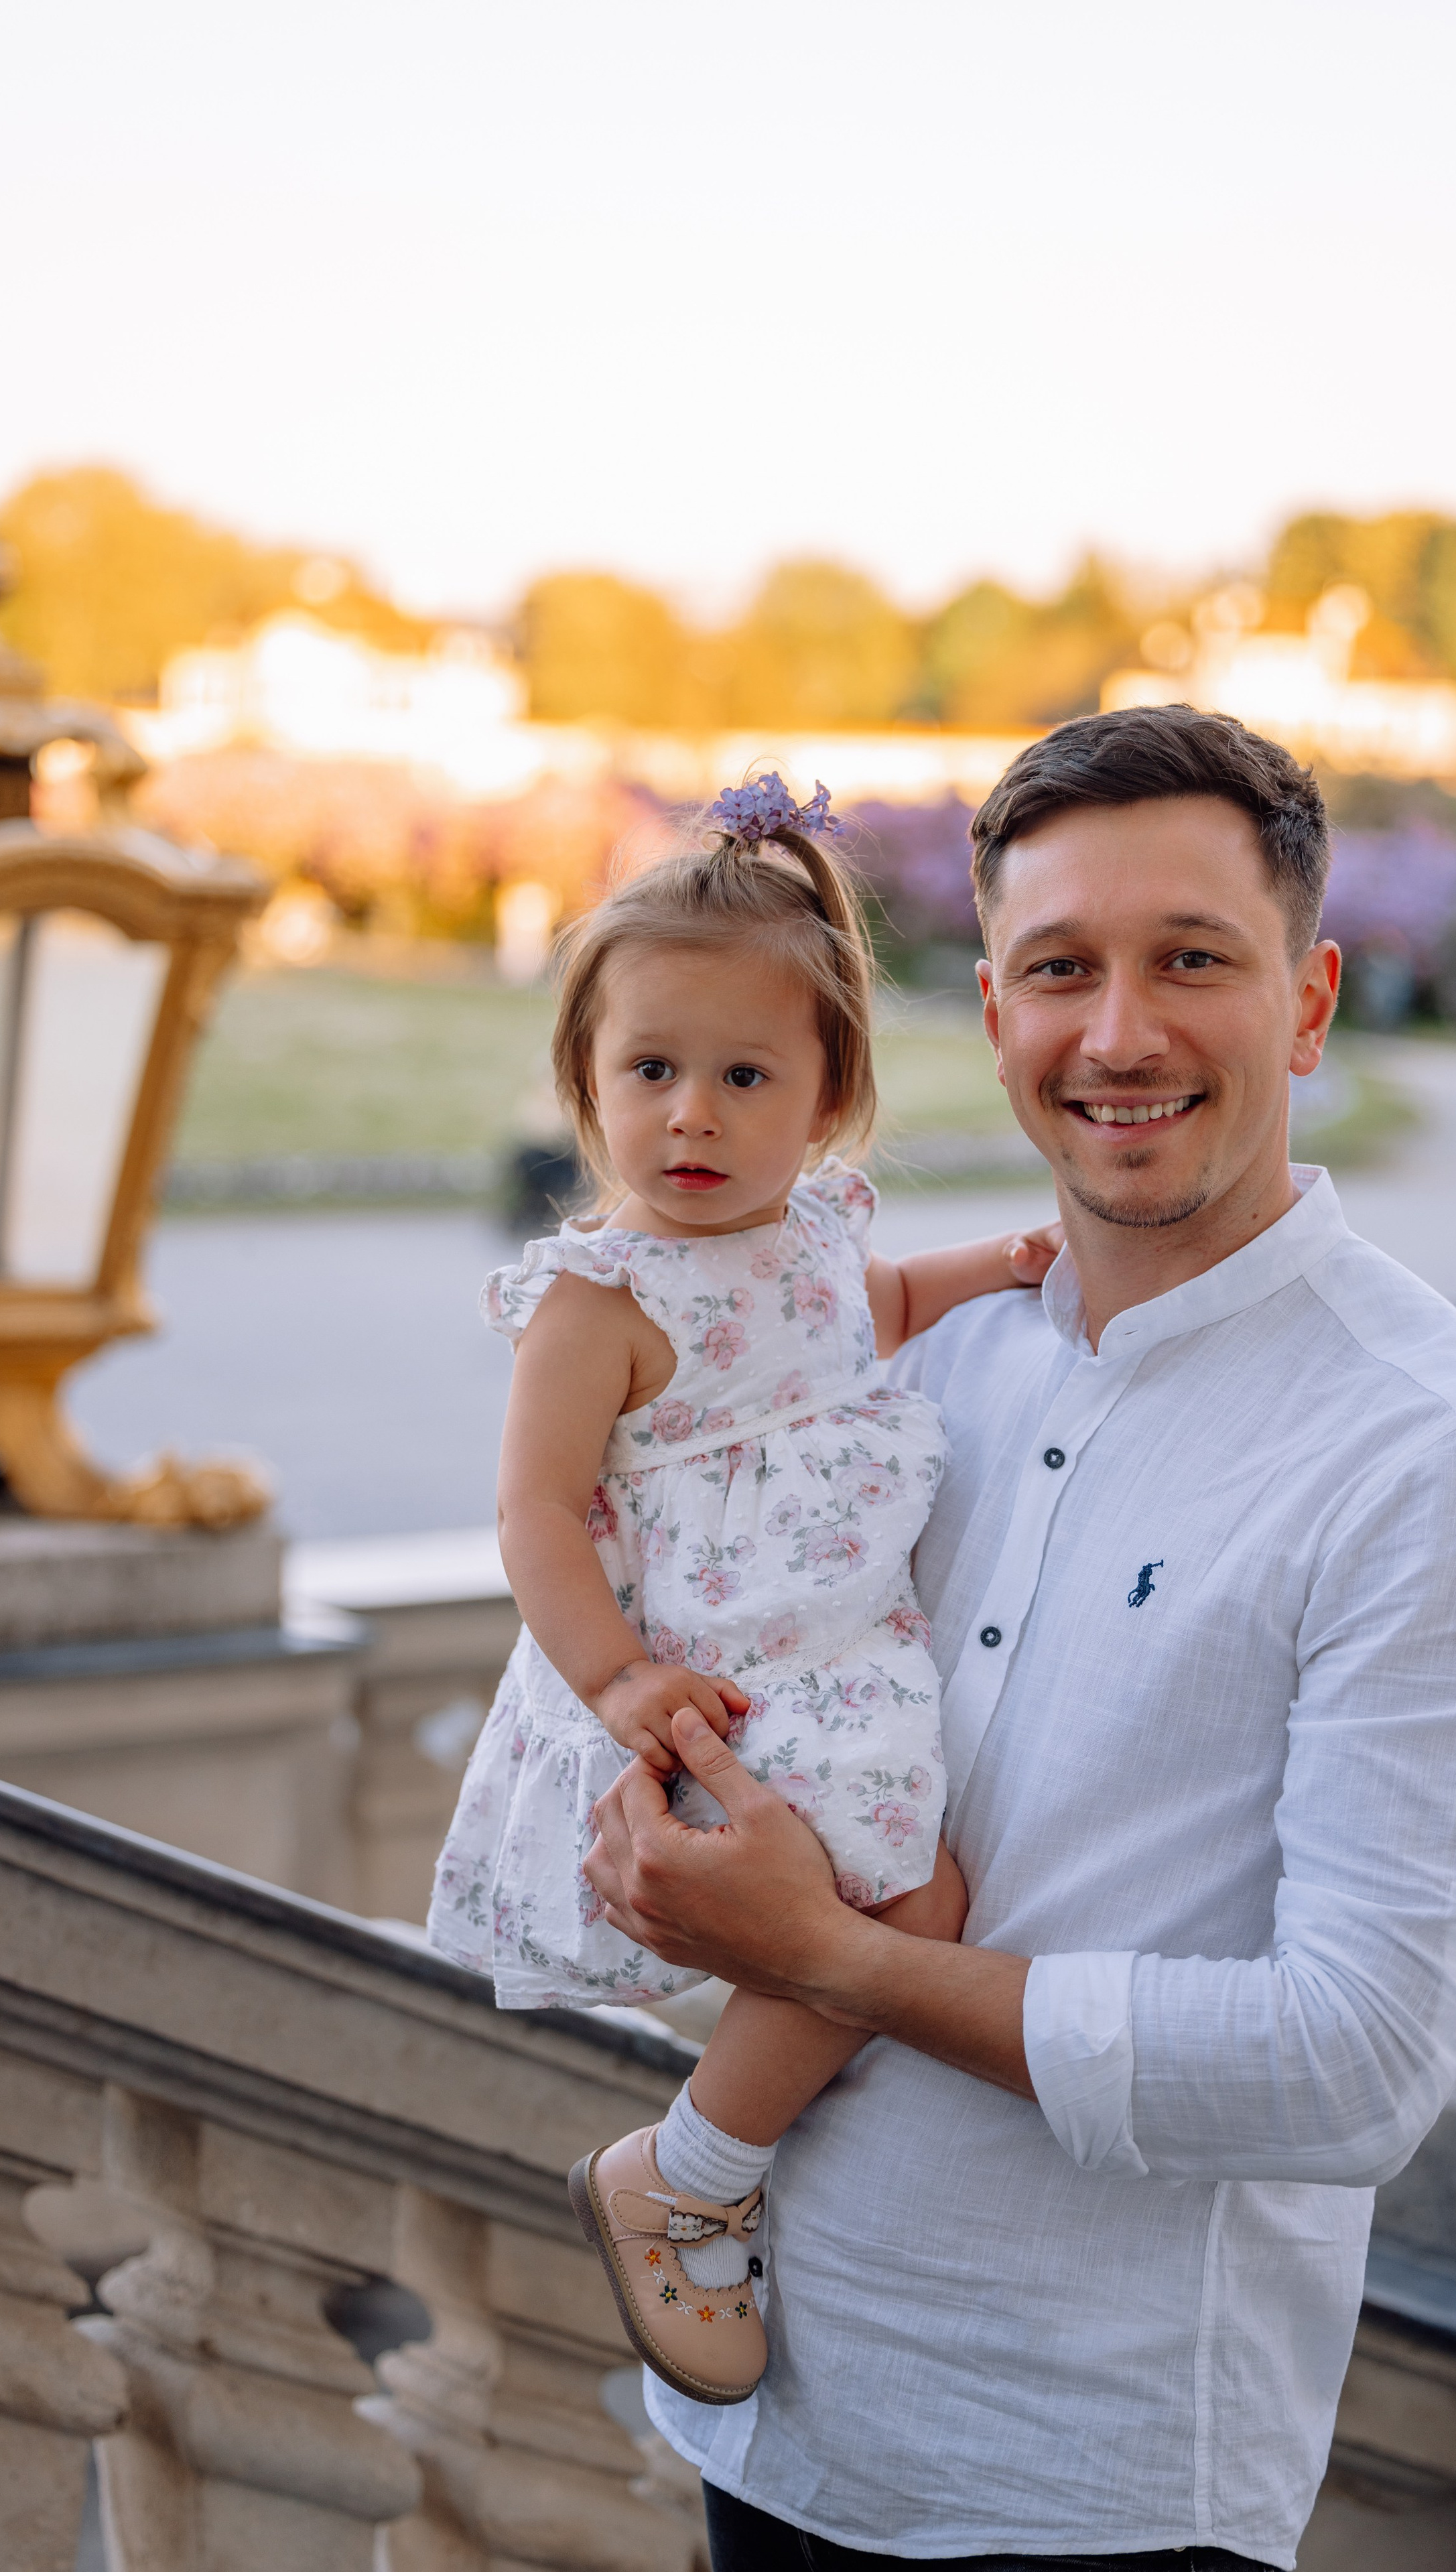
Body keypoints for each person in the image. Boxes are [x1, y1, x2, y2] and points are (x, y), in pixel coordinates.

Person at [582, 706, 1456, 2571]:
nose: (1119, 1033)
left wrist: (834, 1956)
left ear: (1306, 1005)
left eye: (1191, 962)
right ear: (993, 1013)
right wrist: (667, 1829)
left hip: (1090, 2480)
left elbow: (1355, 2061)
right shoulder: (910, 1356)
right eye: (1061, 967)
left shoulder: (1446, 1462)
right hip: (771, 2410)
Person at [428, 773, 1053, 2405]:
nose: (689, 1115)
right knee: (905, 1908)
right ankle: (690, 2171)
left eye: (741, 1074)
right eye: (648, 1071)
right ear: (584, 1081)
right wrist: (620, 1680)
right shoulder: (598, 1295)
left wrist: (997, 1265)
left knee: (901, 1904)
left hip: (836, 1658)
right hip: (714, 1685)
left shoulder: (814, 1233)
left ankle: (711, 2159)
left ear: (826, 1098)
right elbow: (533, 1512)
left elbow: (874, 1304)